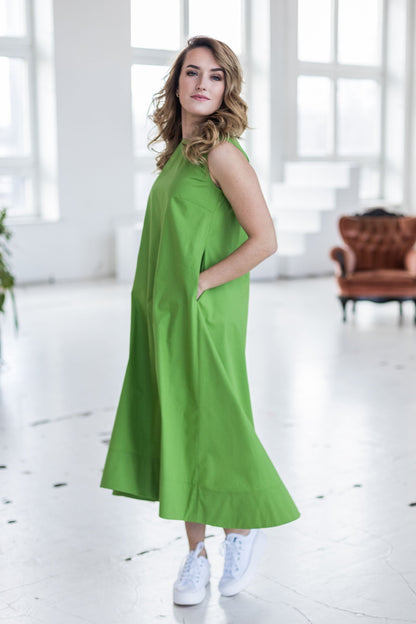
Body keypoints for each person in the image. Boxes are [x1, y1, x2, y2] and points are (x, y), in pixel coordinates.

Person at [100, 35, 300, 606]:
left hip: (205, 315)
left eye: (216, 76)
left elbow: (264, 239)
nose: (203, 84)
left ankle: (241, 530)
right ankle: (196, 554)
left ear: (227, 87)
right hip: (163, 315)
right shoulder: (176, 156)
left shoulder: (223, 155)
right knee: (179, 422)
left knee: (216, 422)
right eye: (192, 72)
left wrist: (202, 283)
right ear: (177, 83)